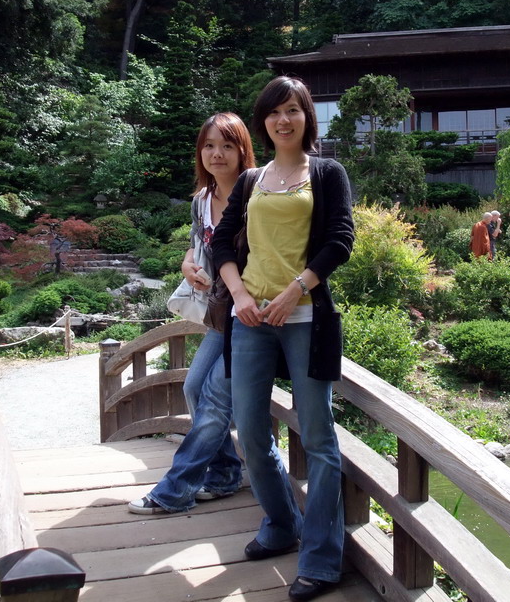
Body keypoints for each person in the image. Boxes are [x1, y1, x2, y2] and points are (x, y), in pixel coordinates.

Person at [211, 76, 354, 602]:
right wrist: (240, 296)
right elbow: (222, 243)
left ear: (306, 117)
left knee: (318, 436)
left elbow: (341, 240)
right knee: (249, 430)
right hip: (251, 320)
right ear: (264, 121)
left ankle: (320, 559)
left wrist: (296, 290)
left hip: (306, 317)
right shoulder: (251, 179)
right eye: (274, 112)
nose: (282, 120)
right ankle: (280, 522)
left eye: (292, 110)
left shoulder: (326, 172)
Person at [128, 112, 256, 514]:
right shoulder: (202, 200)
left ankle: (174, 490)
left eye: (227, 145)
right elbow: (195, 245)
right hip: (222, 313)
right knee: (192, 388)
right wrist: (188, 265)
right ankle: (224, 474)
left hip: (255, 314)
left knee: (215, 401)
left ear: (242, 150)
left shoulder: (258, 193)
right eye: (209, 145)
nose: (217, 154)